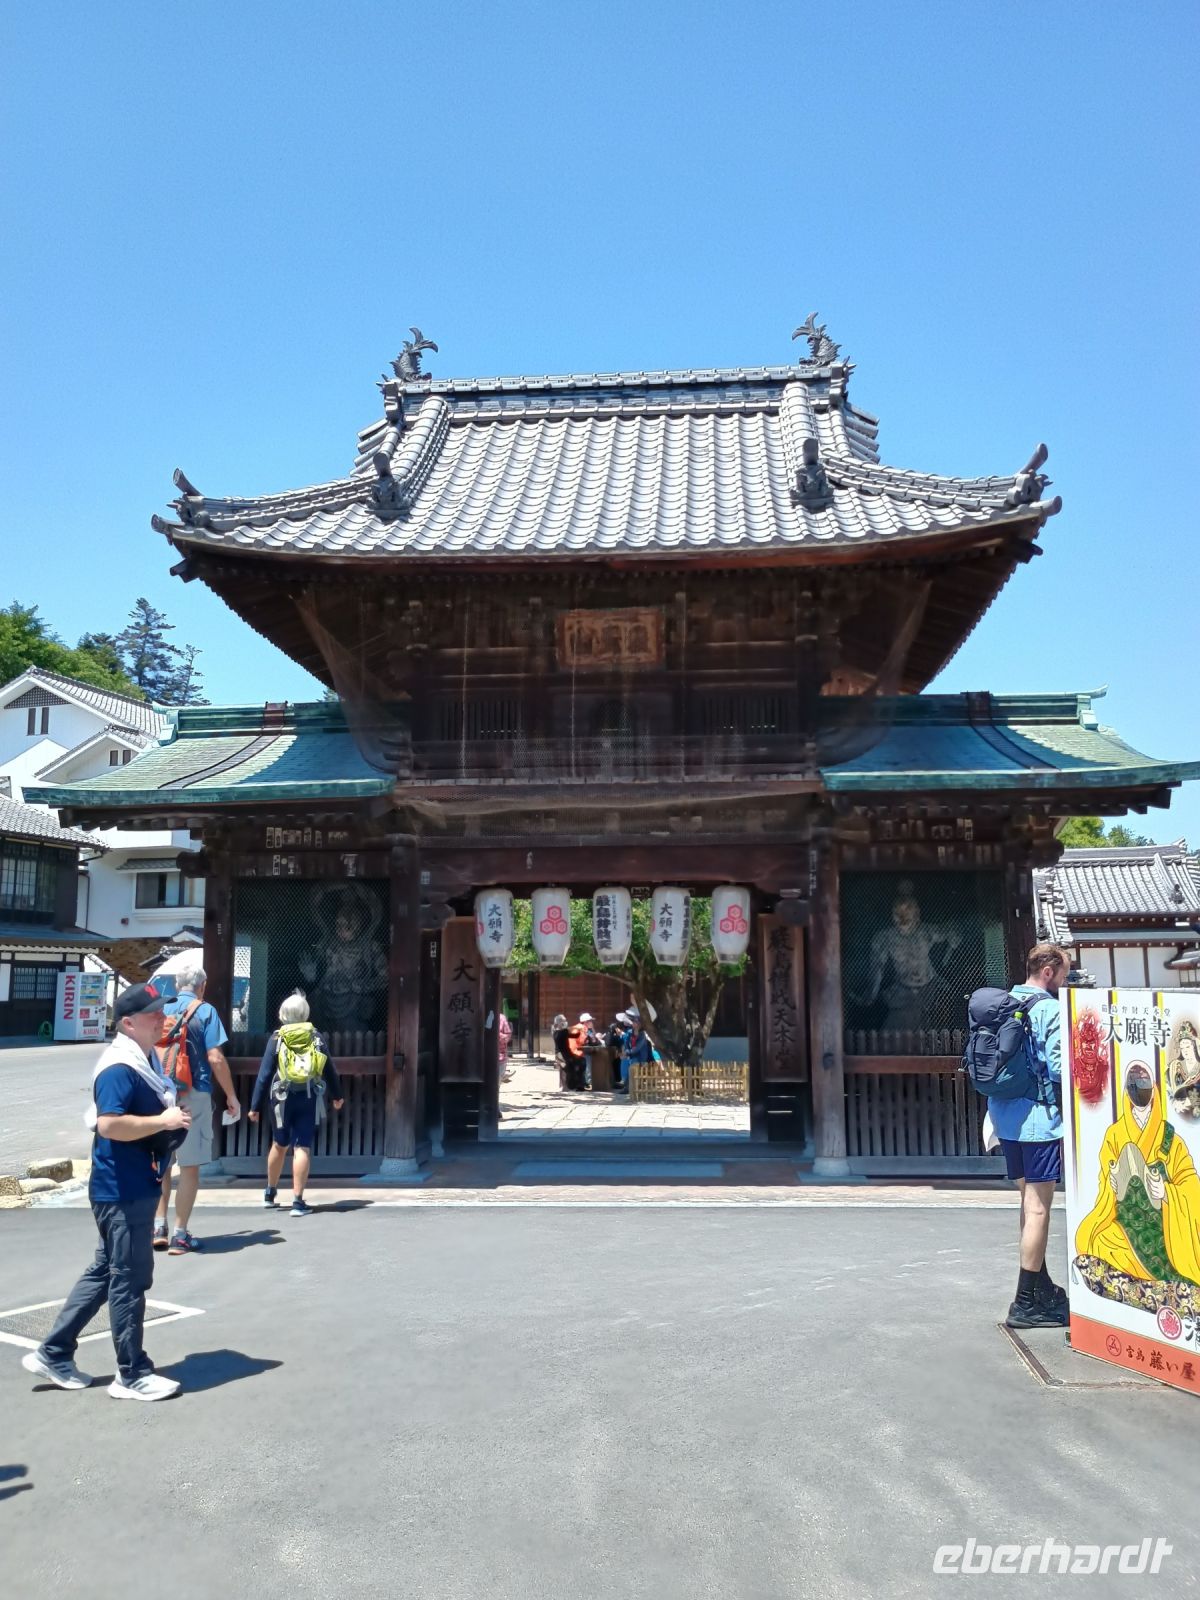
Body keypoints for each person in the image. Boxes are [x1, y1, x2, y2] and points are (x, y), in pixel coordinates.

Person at [21, 983, 190, 1401]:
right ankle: (131, 1373)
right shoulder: (119, 1066)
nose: (161, 1019)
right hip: (122, 1187)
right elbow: (109, 1124)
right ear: (129, 1024)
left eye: (161, 1012)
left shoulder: (144, 1058)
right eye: (153, 1015)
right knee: (129, 1279)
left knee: (105, 1273)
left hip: (129, 1183)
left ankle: (54, 1350)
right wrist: (164, 1122)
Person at [989, 943, 1070, 1329]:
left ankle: (1041, 1287)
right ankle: (1024, 1303)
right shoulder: (1050, 1009)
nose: (1064, 983)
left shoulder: (1005, 1002)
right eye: (1065, 975)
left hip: (1005, 1118)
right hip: (1039, 1121)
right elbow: (1058, 1068)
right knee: (1039, 1209)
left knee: (1027, 1205)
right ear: (1050, 971)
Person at [1075, 1060, 1200, 1286]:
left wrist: (1166, 1192)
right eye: (1133, 1083)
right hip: (1125, 1223)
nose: (1138, 1089)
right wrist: (1111, 1182)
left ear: (1153, 1090)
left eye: (1143, 1083)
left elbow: (1191, 1184)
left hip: (1163, 1227)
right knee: (1094, 1237)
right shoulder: (1115, 1134)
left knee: (1179, 1255)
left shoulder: (1169, 1138)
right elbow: (1104, 1182)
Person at [154, 963, 240, 1256]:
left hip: (159, 1094)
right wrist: (231, 1095)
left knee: (162, 1161)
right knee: (189, 1167)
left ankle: (157, 1227)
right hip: (194, 1092)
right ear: (202, 986)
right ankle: (180, 1234)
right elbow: (215, 1057)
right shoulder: (205, 1011)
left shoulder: (161, 1008)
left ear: (177, 985)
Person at [248, 991, 344, 1216]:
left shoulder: (277, 1038)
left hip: (280, 1098)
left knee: (279, 1143)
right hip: (307, 1095)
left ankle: (270, 1193)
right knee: (302, 1147)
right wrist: (337, 1096)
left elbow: (264, 1075)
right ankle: (298, 1202)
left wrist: (254, 1107)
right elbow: (330, 1069)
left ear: (283, 1014)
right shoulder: (316, 1037)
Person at [551, 1013, 570, 1089]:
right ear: (559, 1022)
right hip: (561, 1053)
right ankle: (564, 1086)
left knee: (562, 1069)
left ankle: (562, 1085)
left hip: (559, 1053)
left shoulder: (555, 1031)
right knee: (564, 1069)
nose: (565, 1022)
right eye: (564, 1020)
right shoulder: (561, 1032)